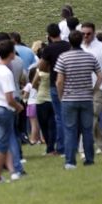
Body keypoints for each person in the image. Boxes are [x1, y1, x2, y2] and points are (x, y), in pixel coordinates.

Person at [55, 31, 102, 169]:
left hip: (69, 98)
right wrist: (94, 90)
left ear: (69, 42)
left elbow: (59, 81)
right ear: (82, 40)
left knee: (70, 130)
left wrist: (60, 96)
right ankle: (89, 159)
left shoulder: (63, 58)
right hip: (86, 98)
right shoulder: (89, 57)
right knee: (87, 130)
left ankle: (70, 161)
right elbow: (100, 76)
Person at [0, 40, 24, 183]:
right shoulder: (6, 72)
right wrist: (18, 107)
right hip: (2, 109)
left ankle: (12, 170)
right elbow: (9, 99)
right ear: (12, 54)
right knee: (1, 145)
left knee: (2, 141)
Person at [81, 22, 102, 152]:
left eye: (88, 34)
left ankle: (83, 147)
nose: (85, 36)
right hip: (83, 87)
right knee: (87, 116)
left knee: (92, 116)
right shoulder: (79, 47)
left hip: (99, 87)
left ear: (93, 33)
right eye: (83, 34)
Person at [40, 23, 71, 155]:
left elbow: (41, 66)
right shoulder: (67, 45)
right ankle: (73, 144)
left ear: (49, 35)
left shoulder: (48, 49)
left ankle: (62, 147)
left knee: (59, 117)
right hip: (70, 82)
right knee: (70, 116)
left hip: (55, 83)